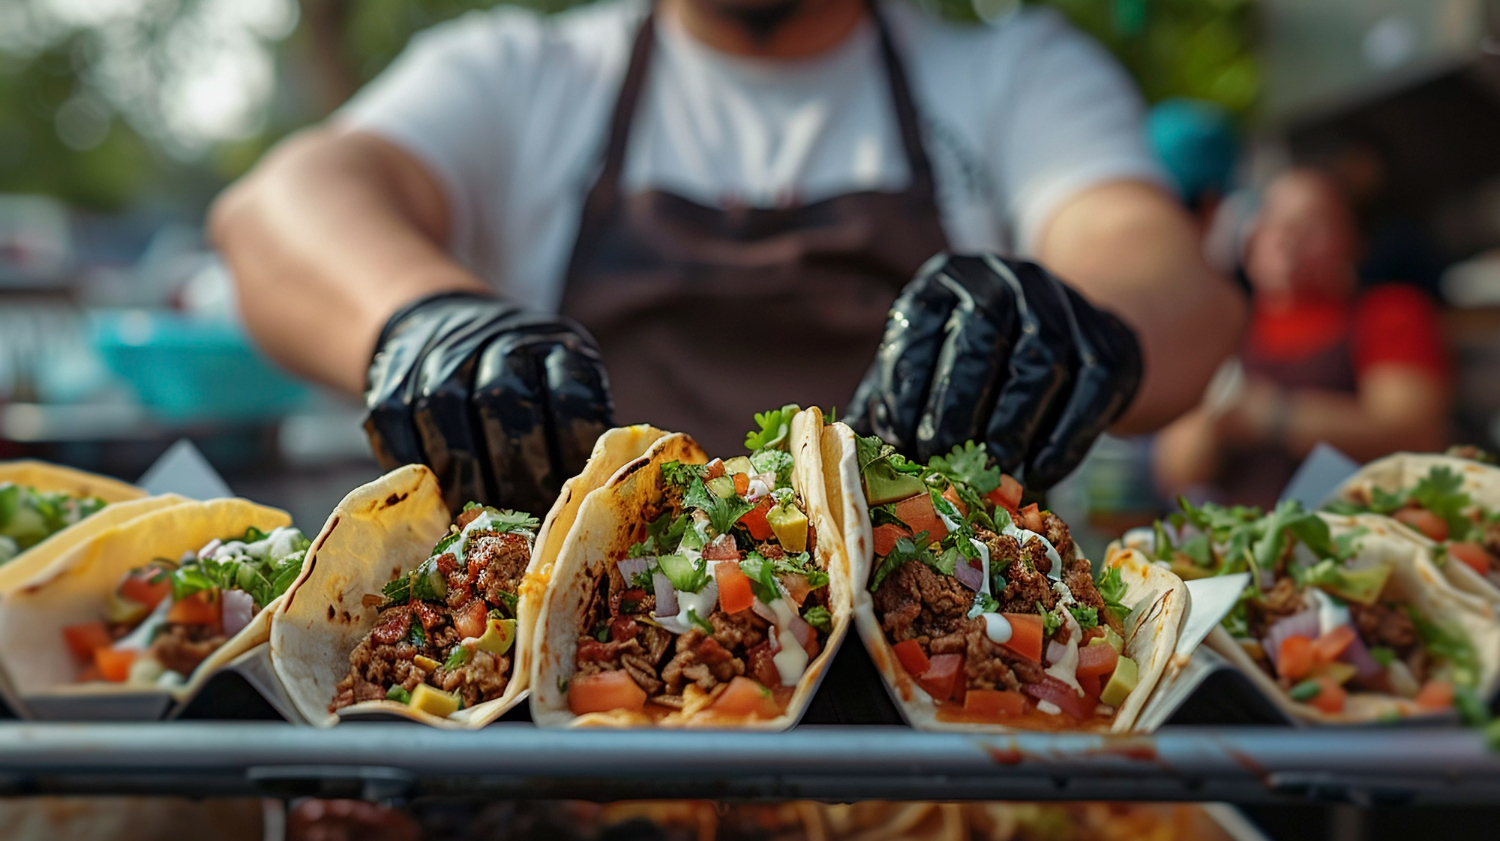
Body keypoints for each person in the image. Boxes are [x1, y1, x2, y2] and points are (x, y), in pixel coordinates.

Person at [211, 0, 1244, 513]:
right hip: (566, 722)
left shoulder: (1011, 72)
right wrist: (426, 318)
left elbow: (1166, 277)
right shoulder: (523, 73)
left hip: (947, 703)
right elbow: (280, 208)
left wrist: (1074, 315)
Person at [1154, 168, 1450, 507]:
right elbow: (1175, 471)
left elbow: (1411, 434)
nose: (1287, 237)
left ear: (1352, 240)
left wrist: (1276, 416)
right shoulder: (1222, 331)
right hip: (1238, 545)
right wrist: (1211, 427)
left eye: (1311, 224)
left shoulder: (1388, 313)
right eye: (1273, 220)